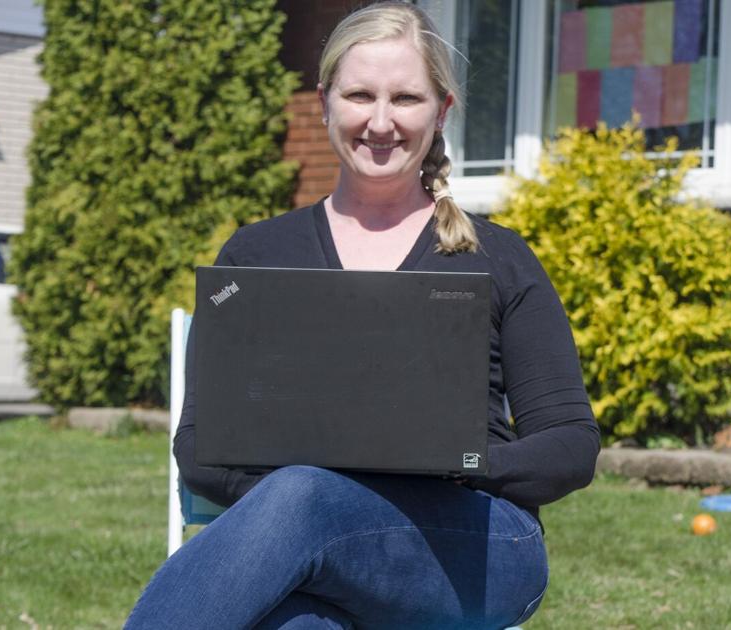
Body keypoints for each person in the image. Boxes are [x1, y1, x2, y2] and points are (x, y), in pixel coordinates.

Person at [125, 4, 600, 628]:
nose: (381, 122)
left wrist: (458, 462)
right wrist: (298, 508)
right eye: (359, 95)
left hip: (475, 549)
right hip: (313, 545)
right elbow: (198, 449)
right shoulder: (257, 256)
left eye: (405, 97)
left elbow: (571, 445)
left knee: (305, 494)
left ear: (442, 111)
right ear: (324, 102)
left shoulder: (500, 259)